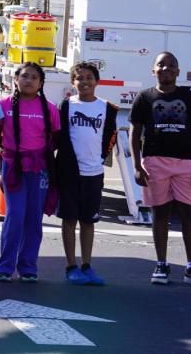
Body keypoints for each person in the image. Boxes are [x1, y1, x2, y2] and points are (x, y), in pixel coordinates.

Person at [131, 52, 191, 287]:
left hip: (185, 163)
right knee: (160, 214)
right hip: (155, 162)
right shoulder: (144, 98)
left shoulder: (188, 98)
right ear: (153, 70)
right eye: (161, 65)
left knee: (188, 213)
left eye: (171, 65)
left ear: (178, 71)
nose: (166, 68)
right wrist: (137, 166)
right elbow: (135, 134)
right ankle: (161, 263)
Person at [0, 62, 60, 282]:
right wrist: (6, 155)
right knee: (15, 215)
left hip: (39, 169)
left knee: (34, 218)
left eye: (34, 77)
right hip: (13, 167)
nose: (28, 80)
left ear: (41, 83)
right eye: (24, 76)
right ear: (15, 80)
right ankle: (5, 266)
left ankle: (28, 267)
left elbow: (56, 138)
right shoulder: (3, 105)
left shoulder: (49, 108)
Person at [55, 61, 117, 286]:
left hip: (94, 172)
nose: (85, 82)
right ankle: (71, 266)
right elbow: (59, 136)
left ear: (97, 81)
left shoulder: (106, 107)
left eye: (89, 77)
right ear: (73, 82)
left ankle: (87, 265)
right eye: (79, 78)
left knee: (88, 220)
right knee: (69, 219)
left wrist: (100, 158)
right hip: (70, 173)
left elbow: (110, 136)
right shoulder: (66, 105)